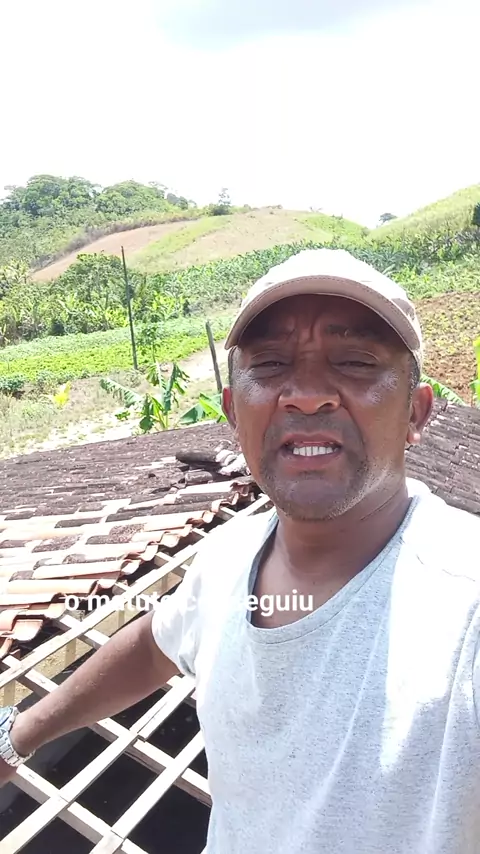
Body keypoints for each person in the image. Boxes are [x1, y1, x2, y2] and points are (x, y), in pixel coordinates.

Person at [1, 249, 479, 854]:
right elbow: (155, 642)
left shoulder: (463, 605)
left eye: (356, 362)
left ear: (417, 412)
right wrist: (18, 735)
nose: (306, 395)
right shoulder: (226, 558)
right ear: (232, 412)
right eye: (271, 364)